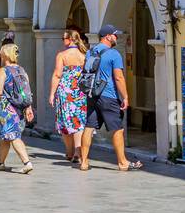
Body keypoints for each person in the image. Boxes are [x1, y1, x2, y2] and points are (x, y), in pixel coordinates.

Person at [80, 24, 142, 172]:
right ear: (107, 36)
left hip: (92, 95)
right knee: (117, 129)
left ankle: (83, 162)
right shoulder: (114, 54)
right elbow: (119, 77)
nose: (116, 37)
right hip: (108, 95)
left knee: (89, 127)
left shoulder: (90, 52)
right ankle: (122, 162)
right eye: (114, 35)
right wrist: (125, 97)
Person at [0, 43, 35, 174]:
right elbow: (26, 91)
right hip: (19, 108)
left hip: (6, 108)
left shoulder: (2, 71)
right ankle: (0, 162)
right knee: (6, 136)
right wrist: (28, 107)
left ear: (4, 54)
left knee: (13, 136)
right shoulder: (21, 70)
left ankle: (27, 162)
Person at [49, 27, 89, 162]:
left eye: (64, 38)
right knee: (78, 122)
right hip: (80, 92)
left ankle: (70, 152)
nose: (62, 40)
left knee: (65, 122)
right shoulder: (84, 55)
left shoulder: (62, 55)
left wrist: (51, 93)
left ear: (71, 39)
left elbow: (57, 75)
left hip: (65, 92)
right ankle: (78, 151)